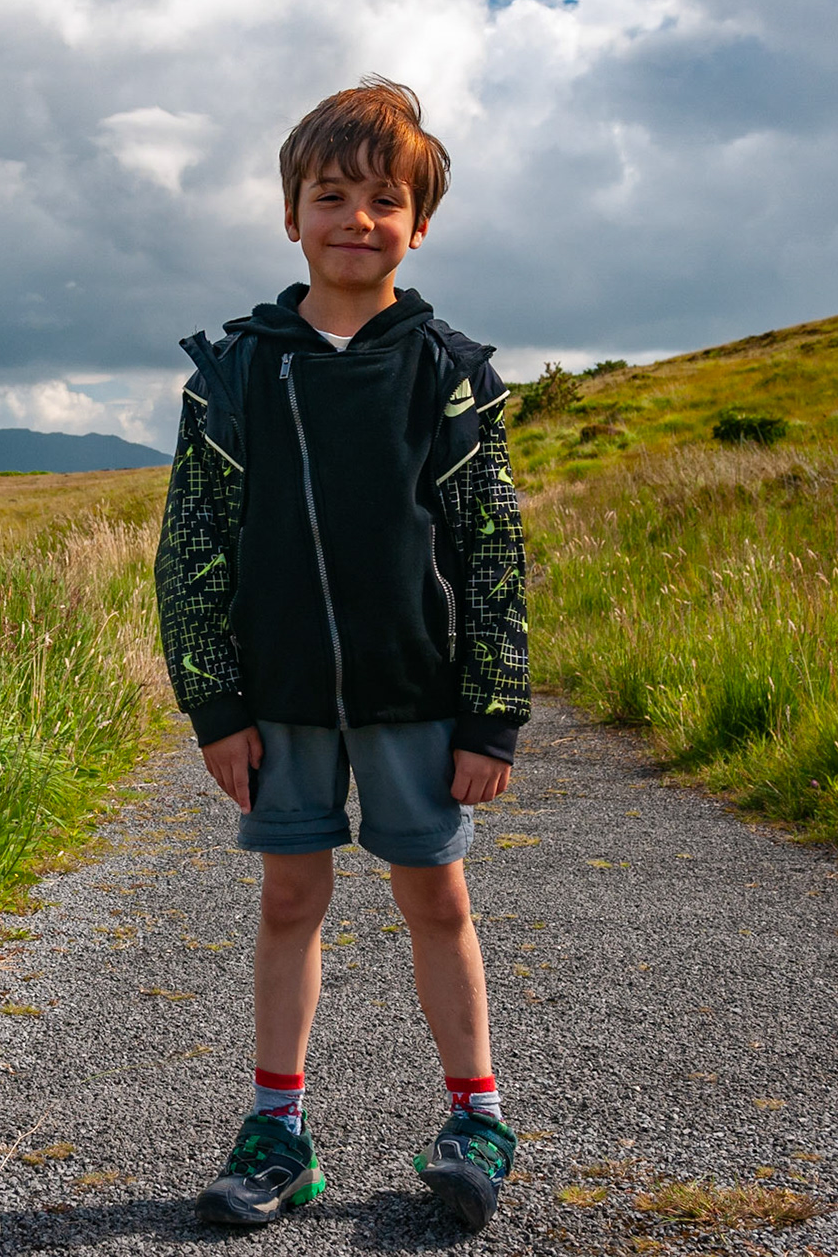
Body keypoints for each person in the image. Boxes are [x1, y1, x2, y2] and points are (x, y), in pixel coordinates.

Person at [153, 76, 530, 1234]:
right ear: (290, 214)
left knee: (437, 900)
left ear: (420, 224)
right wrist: (216, 705)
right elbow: (193, 550)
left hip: (420, 697)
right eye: (331, 195)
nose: (356, 219)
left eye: (384, 200)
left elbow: (493, 549)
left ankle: (475, 1119)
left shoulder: (451, 372)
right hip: (282, 703)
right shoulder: (235, 373)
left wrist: (492, 715)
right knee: (288, 898)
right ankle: (278, 1133)